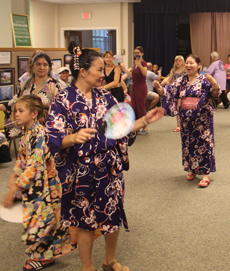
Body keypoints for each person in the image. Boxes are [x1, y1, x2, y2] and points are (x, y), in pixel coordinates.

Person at [45, 42, 163, 271]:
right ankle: (87, 266)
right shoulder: (63, 99)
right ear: (83, 71)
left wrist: (145, 120)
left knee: (113, 212)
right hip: (81, 169)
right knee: (85, 220)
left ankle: (109, 260)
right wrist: (74, 137)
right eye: (99, 70)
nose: (103, 74)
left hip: (109, 166)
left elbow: (120, 128)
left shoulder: (105, 97)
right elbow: (53, 136)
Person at [2, 94, 76, 271]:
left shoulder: (39, 134)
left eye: (21, 111)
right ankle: (43, 255)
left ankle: (42, 257)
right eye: (15, 111)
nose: (16, 115)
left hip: (44, 187)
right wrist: (14, 176)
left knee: (41, 222)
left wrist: (15, 188)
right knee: (37, 220)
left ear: (34, 114)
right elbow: (22, 160)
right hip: (35, 186)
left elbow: (34, 164)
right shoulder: (27, 133)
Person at [154, 54, 220, 188]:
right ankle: (192, 169)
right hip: (186, 119)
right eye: (187, 63)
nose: (188, 66)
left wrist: (213, 83)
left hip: (202, 119)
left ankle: (206, 173)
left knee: (204, 144)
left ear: (198, 65)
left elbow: (215, 94)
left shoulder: (204, 79)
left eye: (192, 63)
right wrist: (158, 87)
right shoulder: (181, 81)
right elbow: (169, 92)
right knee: (188, 145)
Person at [0, 51, 61, 139]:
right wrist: (4, 106)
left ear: (49, 67)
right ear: (32, 66)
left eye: (45, 65)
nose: (41, 67)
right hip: (27, 131)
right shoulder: (26, 84)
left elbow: (61, 110)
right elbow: (16, 102)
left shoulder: (56, 86)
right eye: (38, 64)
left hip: (47, 131)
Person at [120, 46, 148, 134]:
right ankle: (137, 126)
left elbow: (145, 74)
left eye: (138, 53)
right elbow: (132, 76)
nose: (136, 54)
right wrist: (124, 69)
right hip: (135, 87)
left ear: (142, 54)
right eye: (134, 53)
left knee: (140, 107)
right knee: (134, 107)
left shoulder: (143, 63)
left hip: (141, 88)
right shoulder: (135, 63)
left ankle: (145, 127)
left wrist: (140, 65)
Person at [161, 55, 187, 132]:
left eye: (179, 61)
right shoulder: (173, 71)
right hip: (176, 91)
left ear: (182, 62)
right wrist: (170, 86)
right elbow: (169, 80)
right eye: (176, 61)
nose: (177, 62)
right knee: (178, 108)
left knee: (184, 108)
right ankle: (178, 125)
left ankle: (184, 124)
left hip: (184, 91)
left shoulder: (185, 71)